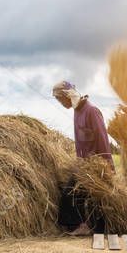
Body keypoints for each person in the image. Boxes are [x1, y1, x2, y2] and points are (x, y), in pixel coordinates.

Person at [52, 81, 112, 235]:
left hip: (95, 165)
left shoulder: (91, 111)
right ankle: (87, 227)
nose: (60, 103)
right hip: (83, 165)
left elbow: (102, 139)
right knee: (79, 195)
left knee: (72, 194)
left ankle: (83, 227)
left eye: (60, 99)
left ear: (68, 95)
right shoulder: (77, 112)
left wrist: (108, 166)